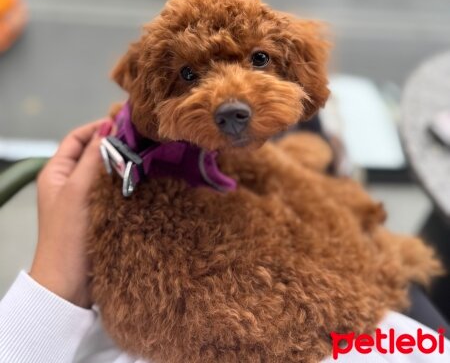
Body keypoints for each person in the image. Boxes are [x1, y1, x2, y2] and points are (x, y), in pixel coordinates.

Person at [0, 123, 449, 363]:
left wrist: (54, 288)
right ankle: (324, 161)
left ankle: (318, 158)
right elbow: (401, 343)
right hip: (350, 319)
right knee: (303, 150)